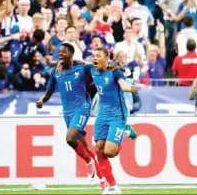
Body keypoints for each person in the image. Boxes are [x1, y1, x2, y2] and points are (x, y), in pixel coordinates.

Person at [36, 43, 106, 193]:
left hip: (82, 107)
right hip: (67, 113)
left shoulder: (82, 68)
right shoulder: (56, 72)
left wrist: (83, 61)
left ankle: (88, 162)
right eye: (59, 53)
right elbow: (48, 92)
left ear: (71, 55)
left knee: (70, 138)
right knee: (85, 147)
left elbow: (98, 66)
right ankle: (103, 183)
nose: (60, 55)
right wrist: (42, 100)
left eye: (63, 53)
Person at [90, 47, 137, 194]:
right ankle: (113, 187)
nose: (94, 58)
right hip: (102, 114)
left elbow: (122, 84)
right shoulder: (91, 70)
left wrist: (129, 88)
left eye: (98, 56)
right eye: (93, 56)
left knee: (110, 152)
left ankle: (124, 131)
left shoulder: (115, 71)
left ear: (107, 57)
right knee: (99, 149)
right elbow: (77, 63)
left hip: (117, 114)